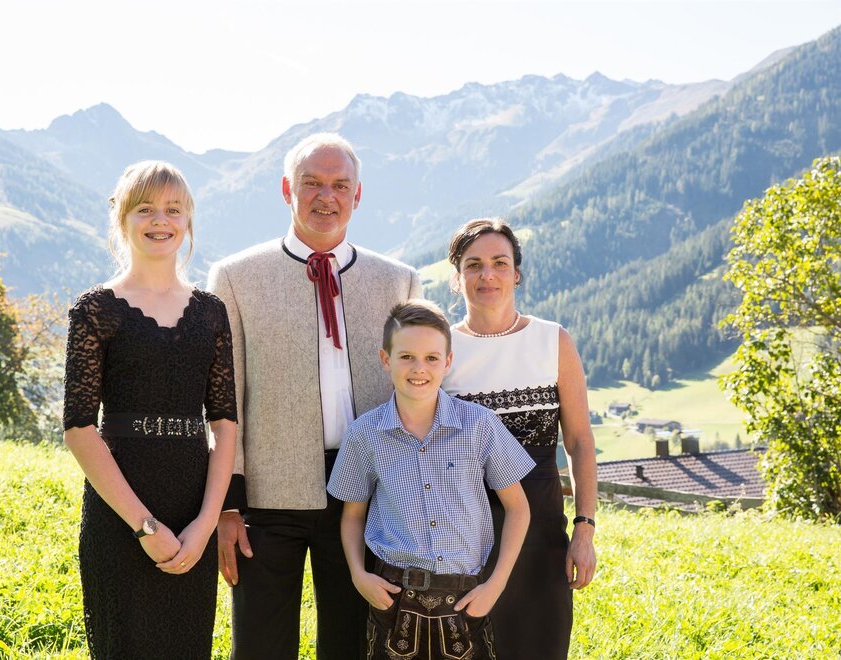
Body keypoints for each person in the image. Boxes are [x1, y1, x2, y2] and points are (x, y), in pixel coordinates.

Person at [207, 133, 422, 659]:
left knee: (351, 644)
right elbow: (222, 398)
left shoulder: (398, 281)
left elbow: (418, 393)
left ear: (357, 195)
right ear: (287, 189)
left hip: (367, 495)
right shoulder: (235, 277)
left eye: (340, 185)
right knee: (260, 646)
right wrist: (228, 505)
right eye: (312, 183)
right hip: (266, 496)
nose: (327, 196)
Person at [63, 161, 237, 658]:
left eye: (173, 209)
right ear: (122, 218)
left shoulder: (210, 312)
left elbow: (225, 425)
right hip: (121, 515)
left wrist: (205, 524)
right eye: (145, 208)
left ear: (188, 220)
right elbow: (79, 430)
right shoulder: (96, 309)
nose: (160, 220)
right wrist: (144, 526)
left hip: (192, 516)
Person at [328, 300, 534, 660]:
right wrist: (359, 575)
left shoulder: (480, 426)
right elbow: (352, 515)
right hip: (393, 600)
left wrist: (496, 585)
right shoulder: (364, 434)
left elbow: (518, 508)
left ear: (447, 362)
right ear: (385, 359)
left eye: (431, 358)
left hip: (467, 601)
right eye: (406, 357)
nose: (419, 368)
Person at [442, 218, 598, 659]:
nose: (487, 275)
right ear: (457, 278)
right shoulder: (441, 349)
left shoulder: (552, 340)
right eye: (473, 265)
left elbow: (580, 441)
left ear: (516, 273)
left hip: (542, 532)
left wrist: (584, 529)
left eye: (499, 263)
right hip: (462, 540)